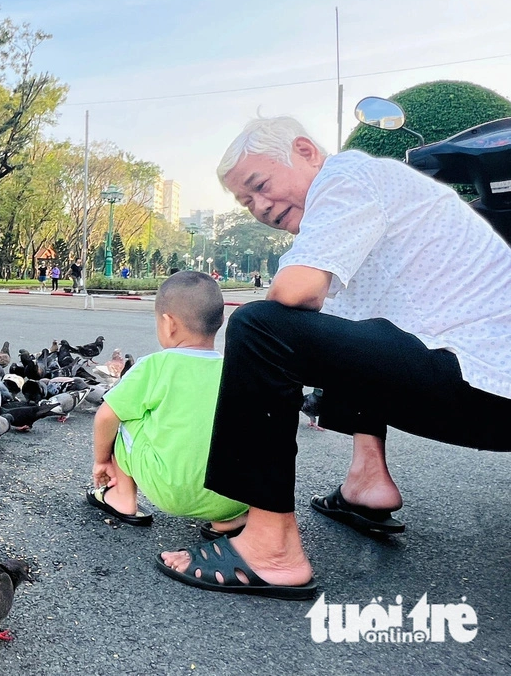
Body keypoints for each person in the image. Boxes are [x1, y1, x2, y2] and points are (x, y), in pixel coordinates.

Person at [157, 115, 511, 601]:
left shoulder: (346, 177)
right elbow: (338, 337)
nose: (259, 206)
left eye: (260, 186)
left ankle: (270, 549)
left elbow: (294, 292)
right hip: (485, 388)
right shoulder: (362, 205)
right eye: (246, 201)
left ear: (306, 151)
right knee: (340, 327)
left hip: (487, 379)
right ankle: (367, 480)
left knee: (260, 326)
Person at [88, 272, 249, 535]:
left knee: (125, 414)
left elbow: (105, 416)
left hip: (171, 490)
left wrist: (101, 461)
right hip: (232, 495)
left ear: (168, 324)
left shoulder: (156, 366)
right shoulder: (236, 369)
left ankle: (121, 496)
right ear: (220, 321)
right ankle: (228, 520)